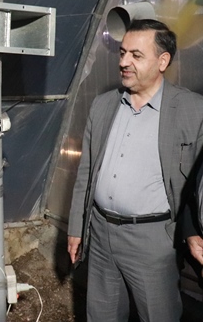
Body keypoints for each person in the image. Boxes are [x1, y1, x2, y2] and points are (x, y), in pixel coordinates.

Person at [67, 19, 203, 321]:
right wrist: (77, 227)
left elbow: (199, 183)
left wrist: (193, 234)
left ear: (162, 61)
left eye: (136, 55)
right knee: (101, 314)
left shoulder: (193, 110)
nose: (124, 62)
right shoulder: (103, 105)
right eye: (122, 53)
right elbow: (86, 173)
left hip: (154, 240)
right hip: (100, 233)